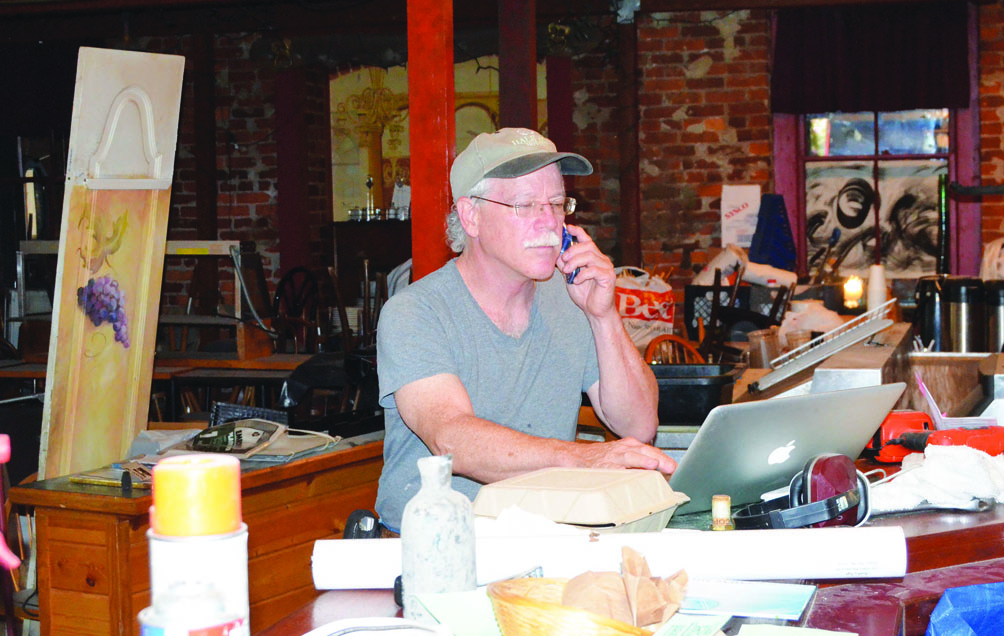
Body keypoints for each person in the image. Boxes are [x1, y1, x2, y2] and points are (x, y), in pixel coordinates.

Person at [374, 128, 675, 532]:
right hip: (434, 545)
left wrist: (603, 317)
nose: (550, 223)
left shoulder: (569, 295)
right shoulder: (415, 313)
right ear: (471, 216)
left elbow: (639, 425)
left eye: (556, 203)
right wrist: (581, 459)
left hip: (545, 536)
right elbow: (452, 440)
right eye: (526, 205)